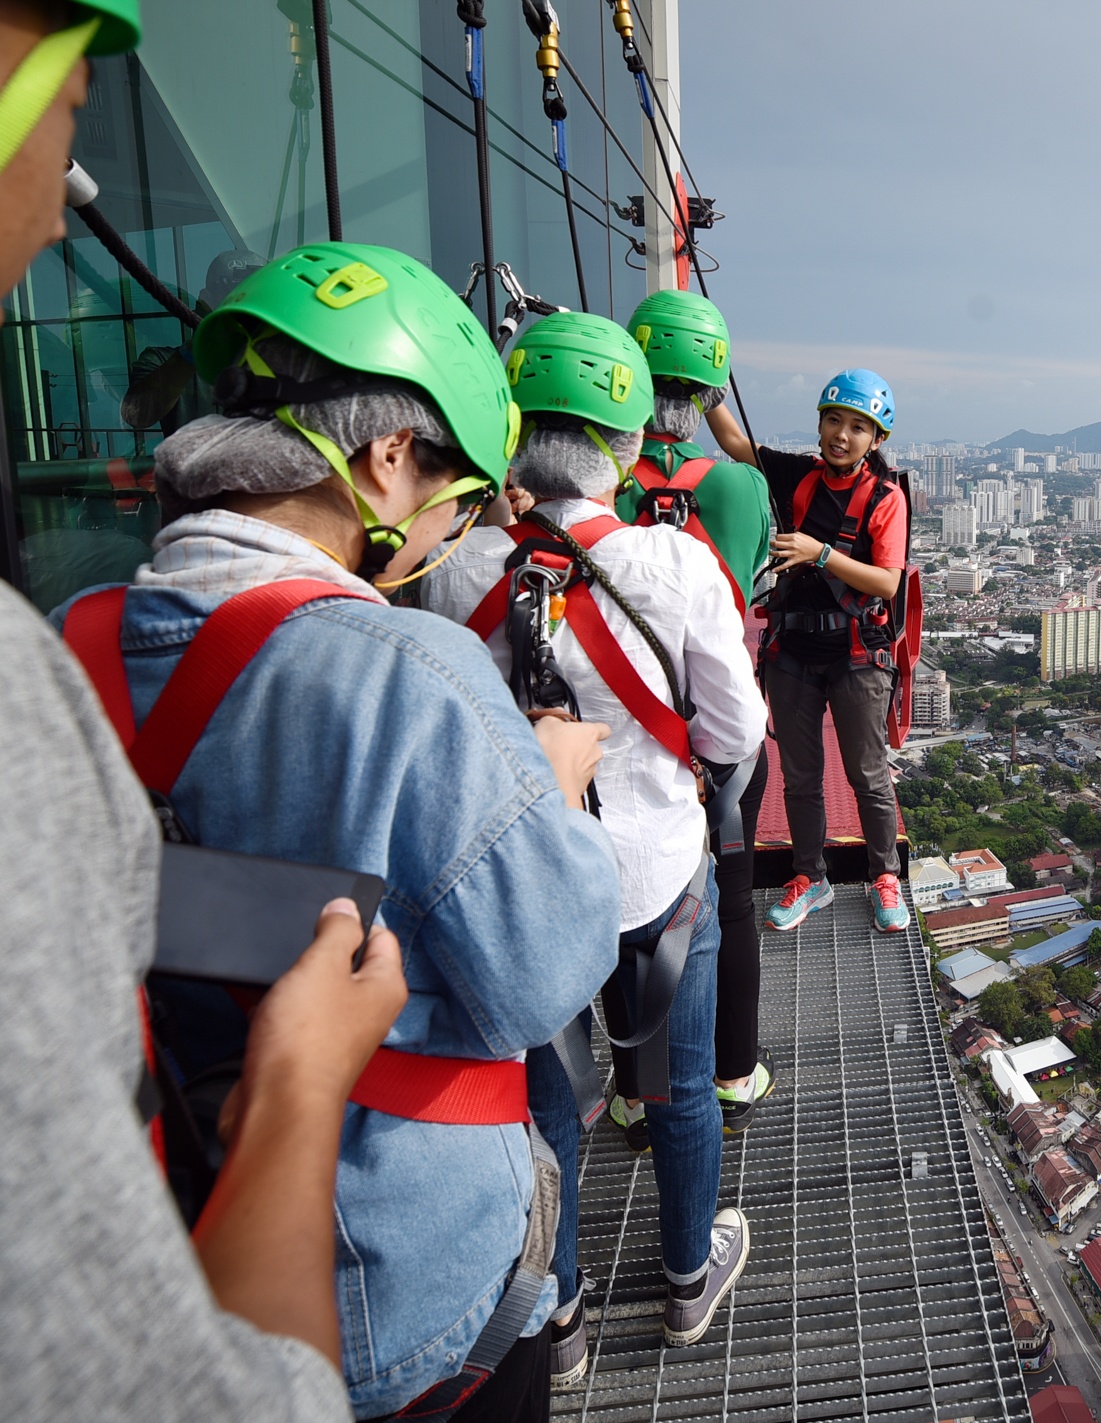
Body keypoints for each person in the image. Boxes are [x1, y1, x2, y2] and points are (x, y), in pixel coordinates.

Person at [52, 240, 622, 1421]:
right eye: (457, 501)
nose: (450, 535)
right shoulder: (415, 675)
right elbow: (548, 972)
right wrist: (553, 787)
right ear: (388, 459)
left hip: (153, 1238)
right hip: (404, 1283)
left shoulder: (66, 648)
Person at [0, 0, 424, 1417]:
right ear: (387, 465)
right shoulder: (401, 667)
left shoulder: (80, 620)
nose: (73, 197)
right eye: (66, 99)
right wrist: (301, 1085)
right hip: (352, 1240)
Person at [422, 309, 766, 1353]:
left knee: (549, 1110)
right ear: (626, 447)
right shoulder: (675, 564)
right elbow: (735, 729)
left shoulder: (458, 569)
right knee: (678, 1089)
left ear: (517, 433)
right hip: (655, 883)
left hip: (520, 891)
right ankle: (684, 1280)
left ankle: (558, 1317)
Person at [621, 287, 775, 1135]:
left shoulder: (606, 483)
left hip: (630, 728)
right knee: (733, 896)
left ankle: (632, 1088)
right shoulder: (742, 488)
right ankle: (731, 1073)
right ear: (714, 391)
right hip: (724, 735)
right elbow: (750, 585)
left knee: (635, 909)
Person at [705, 369, 912, 934]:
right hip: (793, 648)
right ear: (820, 423)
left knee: (867, 774)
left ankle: (884, 875)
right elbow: (733, 442)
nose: (841, 435)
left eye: (857, 427)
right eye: (833, 421)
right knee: (800, 776)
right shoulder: (799, 475)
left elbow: (888, 583)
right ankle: (809, 876)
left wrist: (821, 554)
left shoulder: (884, 498)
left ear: (876, 440)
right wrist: (706, 387)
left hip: (854, 652)